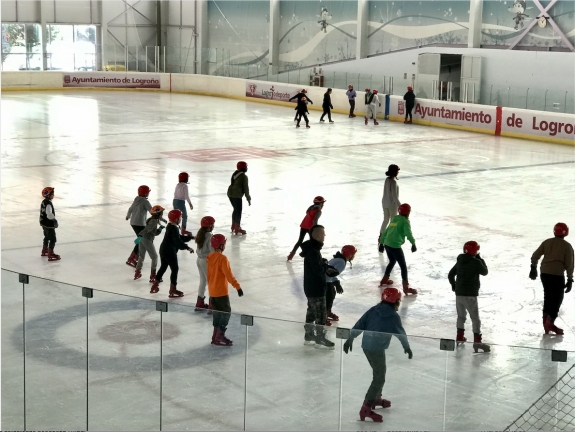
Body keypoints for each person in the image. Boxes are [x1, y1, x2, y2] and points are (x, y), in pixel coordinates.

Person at [343, 287, 413, 423]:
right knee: (379, 377)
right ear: (396, 301)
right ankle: (366, 407)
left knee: (380, 372)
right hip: (376, 349)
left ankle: (376, 398)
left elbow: (360, 324)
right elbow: (401, 334)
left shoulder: (374, 310)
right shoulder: (393, 317)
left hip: (367, 347)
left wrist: (350, 338)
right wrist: (406, 347)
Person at [530, 223, 574, 335]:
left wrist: (533, 268)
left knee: (548, 297)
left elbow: (535, 255)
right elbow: (570, 264)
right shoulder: (567, 247)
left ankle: (546, 322)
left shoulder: (547, 242)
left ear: (554, 231)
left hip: (544, 273)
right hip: (557, 275)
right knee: (557, 299)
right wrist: (569, 280)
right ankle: (549, 322)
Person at [448, 241, 490, 353]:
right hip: (470, 295)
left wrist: (454, 286)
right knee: (475, 318)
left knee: (461, 316)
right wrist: (480, 259)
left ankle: (459, 336)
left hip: (459, 294)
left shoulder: (460, 261)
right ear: (475, 251)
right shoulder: (476, 262)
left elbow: (450, 274)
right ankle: (477, 341)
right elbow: (485, 271)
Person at [300, 225, 334, 349]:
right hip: (316, 288)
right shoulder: (313, 251)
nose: (324, 236)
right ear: (319, 236)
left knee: (311, 312)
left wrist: (321, 262)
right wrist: (325, 265)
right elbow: (317, 270)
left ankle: (309, 335)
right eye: (323, 234)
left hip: (310, 287)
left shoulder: (312, 249)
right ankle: (320, 338)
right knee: (320, 313)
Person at [207, 234, 244, 346]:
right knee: (226, 313)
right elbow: (229, 275)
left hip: (212, 291)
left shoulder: (210, 257)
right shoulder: (223, 259)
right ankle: (220, 335)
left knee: (217, 314)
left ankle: (215, 336)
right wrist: (237, 287)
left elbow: (208, 275)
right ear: (221, 245)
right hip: (221, 292)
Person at [150, 209, 194, 297]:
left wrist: (190, 238)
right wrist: (187, 247)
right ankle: (172, 289)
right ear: (177, 219)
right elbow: (178, 241)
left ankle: (155, 284)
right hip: (169, 251)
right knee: (175, 269)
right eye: (180, 217)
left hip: (163, 250)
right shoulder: (174, 228)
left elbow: (178, 238)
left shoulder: (171, 226)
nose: (181, 219)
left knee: (163, 267)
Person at [378, 203, 418, 295]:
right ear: (408, 212)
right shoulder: (405, 221)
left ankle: (385, 279)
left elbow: (386, 230)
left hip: (387, 244)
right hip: (395, 246)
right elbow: (408, 233)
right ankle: (406, 288)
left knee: (392, 261)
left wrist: (381, 243)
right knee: (403, 267)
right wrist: (413, 243)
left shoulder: (395, 218)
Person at [287, 196, 326, 261]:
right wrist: (316, 228)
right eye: (323, 203)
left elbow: (308, 215)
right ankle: (315, 257)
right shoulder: (319, 211)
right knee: (314, 243)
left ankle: (291, 255)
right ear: (321, 203)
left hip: (303, 225)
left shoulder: (311, 208)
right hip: (310, 227)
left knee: (300, 241)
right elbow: (315, 220)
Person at [134, 205, 165, 283]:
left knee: (141, 256)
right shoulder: (154, 222)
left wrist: (159, 229)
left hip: (142, 239)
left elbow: (152, 232)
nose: (162, 214)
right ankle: (153, 275)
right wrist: (140, 234)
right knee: (154, 257)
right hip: (147, 240)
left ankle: (137, 272)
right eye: (161, 213)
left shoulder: (151, 220)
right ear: (158, 214)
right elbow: (147, 229)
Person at [325, 245, 357, 323]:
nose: (354, 256)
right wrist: (336, 283)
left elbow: (331, 272)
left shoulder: (339, 259)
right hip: (325, 280)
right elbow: (330, 273)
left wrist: (336, 283)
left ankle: (326, 311)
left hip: (325, 279)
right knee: (330, 294)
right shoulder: (341, 262)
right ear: (350, 255)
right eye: (353, 254)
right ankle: (324, 314)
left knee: (331, 293)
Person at [126, 185, 153, 267]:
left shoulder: (136, 199)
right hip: (140, 223)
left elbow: (130, 209)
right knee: (142, 240)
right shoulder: (145, 202)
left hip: (133, 222)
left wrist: (128, 216)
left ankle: (135, 256)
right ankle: (132, 258)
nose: (148, 193)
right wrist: (158, 214)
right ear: (145, 193)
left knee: (140, 239)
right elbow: (151, 211)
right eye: (148, 192)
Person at [194, 216, 215, 311]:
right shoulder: (210, 236)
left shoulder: (201, 234)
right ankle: (212, 305)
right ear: (210, 225)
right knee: (211, 282)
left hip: (199, 260)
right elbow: (212, 250)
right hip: (206, 261)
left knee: (203, 281)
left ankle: (199, 302)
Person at [227, 161, 251, 235]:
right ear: (243, 168)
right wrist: (248, 198)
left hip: (230, 194)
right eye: (246, 167)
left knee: (235, 210)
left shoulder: (235, 173)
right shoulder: (244, 177)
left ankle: (233, 225)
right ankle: (237, 227)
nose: (247, 168)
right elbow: (246, 188)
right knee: (238, 211)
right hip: (236, 195)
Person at [380, 164, 401, 245]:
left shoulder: (387, 180)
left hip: (385, 203)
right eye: (397, 171)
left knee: (385, 220)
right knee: (393, 222)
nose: (398, 173)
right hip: (392, 205)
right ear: (394, 172)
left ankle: (381, 237)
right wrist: (401, 206)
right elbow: (395, 197)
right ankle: (390, 237)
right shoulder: (393, 182)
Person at [39, 187, 61, 261]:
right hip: (48, 224)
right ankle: (50, 254)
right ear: (48, 195)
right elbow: (49, 214)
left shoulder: (43, 202)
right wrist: (54, 220)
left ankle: (44, 250)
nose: (53, 195)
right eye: (52, 194)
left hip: (43, 223)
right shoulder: (48, 203)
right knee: (53, 239)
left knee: (46, 236)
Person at [173, 172, 194, 236]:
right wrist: (190, 204)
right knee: (184, 216)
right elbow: (186, 196)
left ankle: (174, 228)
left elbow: (175, 193)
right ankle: (183, 230)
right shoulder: (185, 186)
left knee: (176, 216)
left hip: (174, 201)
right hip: (180, 202)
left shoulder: (177, 185)